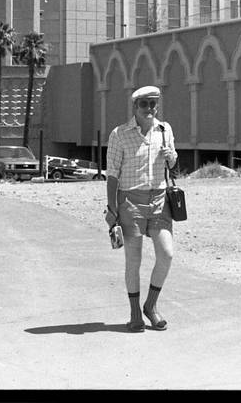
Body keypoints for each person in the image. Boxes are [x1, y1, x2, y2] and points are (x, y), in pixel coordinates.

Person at [105, 85, 178, 332]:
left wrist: (171, 157)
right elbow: (112, 175)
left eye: (153, 103)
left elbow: (174, 162)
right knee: (133, 261)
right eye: (144, 104)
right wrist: (111, 209)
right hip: (130, 203)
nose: (150, 108)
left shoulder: (165, 130)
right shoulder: (119, 134)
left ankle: (151, 306)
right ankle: (135, 313)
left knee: (166, 254)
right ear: (134, 107)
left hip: (159, 201)